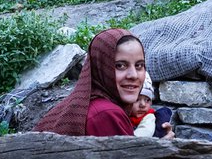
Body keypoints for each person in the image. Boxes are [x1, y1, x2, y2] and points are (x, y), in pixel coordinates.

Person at [34, 28, 173, 137]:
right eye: (120, 65)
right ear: (101, 67)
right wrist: (165, 150)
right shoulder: (106, 114)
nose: (134, 75)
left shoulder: (85, 104)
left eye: (139, 65)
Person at [130, 73, 173, 138]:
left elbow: (145, 133)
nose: (143, 105)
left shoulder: (149, 117)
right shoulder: (123, 115)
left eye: (147, 100)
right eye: (136, 99)